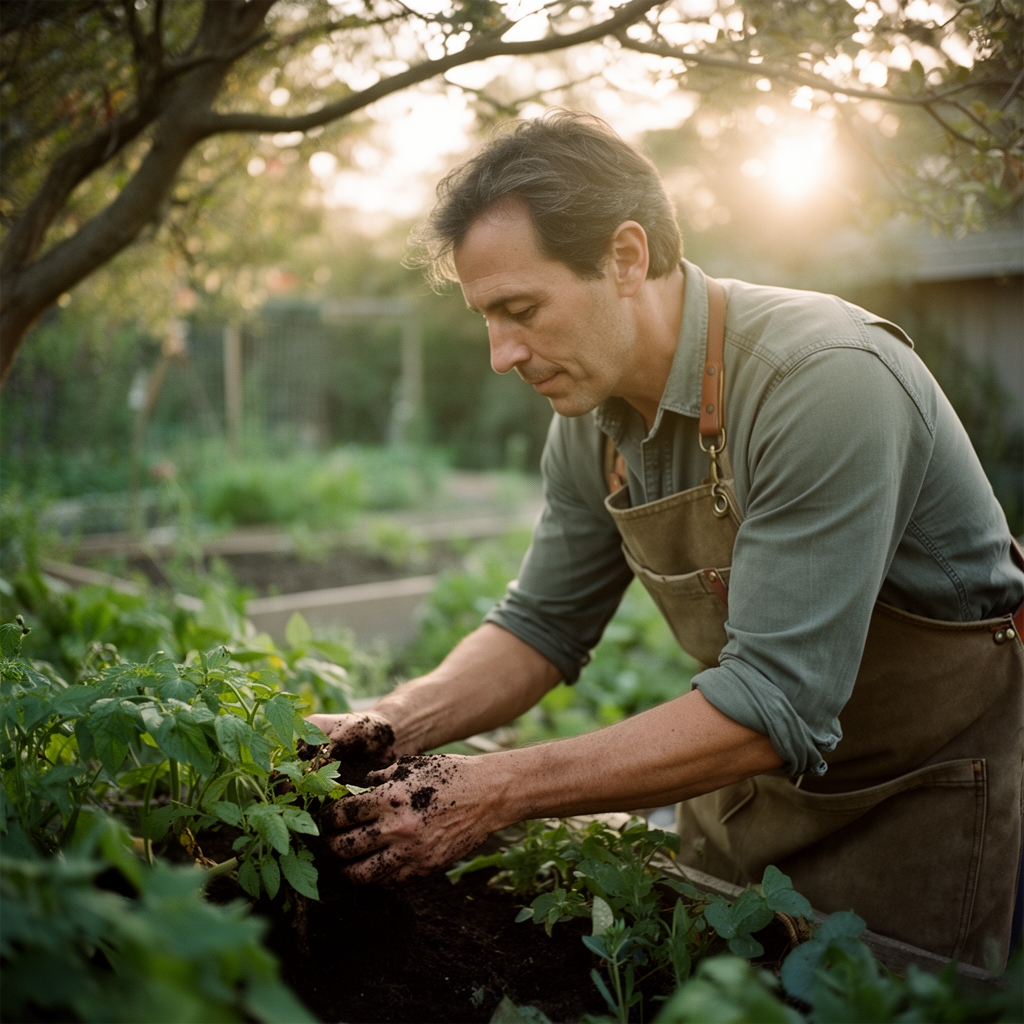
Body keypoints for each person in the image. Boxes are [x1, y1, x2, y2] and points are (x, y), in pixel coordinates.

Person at [308, 111, 1024, 970]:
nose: (502, 354)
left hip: (920, 796)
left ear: (625, 257)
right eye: (486, 319)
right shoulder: (594, 420)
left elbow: (777, 700)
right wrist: (385, 725)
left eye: (521, 309)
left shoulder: (823, 381)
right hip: (741, 795)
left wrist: (495, 788)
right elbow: (541, 626)